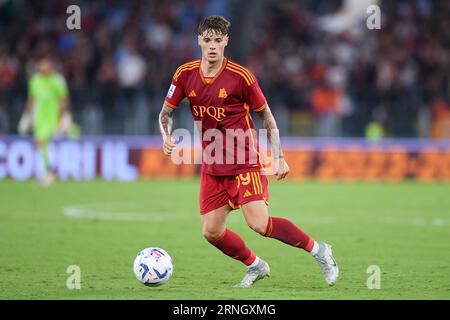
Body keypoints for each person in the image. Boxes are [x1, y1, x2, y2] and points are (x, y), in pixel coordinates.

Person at [158, 16, 339, 288]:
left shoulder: (240, 77)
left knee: (259, 224)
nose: (212, 46)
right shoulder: (184, 74)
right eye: (207, 40)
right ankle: (256, 265)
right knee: (211, 231)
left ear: (226, 42)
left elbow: (266, 115)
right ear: (199, 41)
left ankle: (319, 250)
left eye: (218, 41)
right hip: (213, 165)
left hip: (244, 162)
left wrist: (278, 156)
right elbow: (165, 113)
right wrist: (166, 135)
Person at [18, 58, 71, 186]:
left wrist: (62, 117)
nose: (43, 68)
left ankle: (50, 173)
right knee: (41, 145)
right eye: (41, 66)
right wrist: (26, 117)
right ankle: (48, 172)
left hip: (52, 118)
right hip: (39, 119)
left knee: (43, 143)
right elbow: (31, 99)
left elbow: (64, 100)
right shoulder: (35, 81)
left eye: (45, 66)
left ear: (51, 67)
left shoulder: (57, 81)